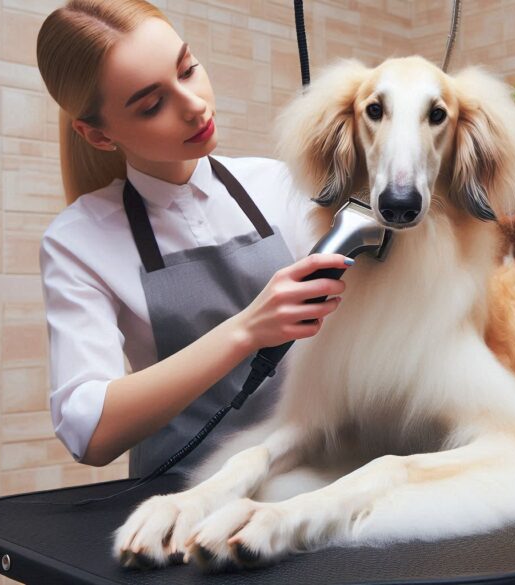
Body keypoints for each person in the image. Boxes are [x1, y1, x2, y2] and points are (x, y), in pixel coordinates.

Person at [35, 0, 348, 477]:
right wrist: (246, 330)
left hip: (307, 485)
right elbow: (88, 428)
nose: (194, 105)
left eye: (187, 70)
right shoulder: (79, 241)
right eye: (152, 104)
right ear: (98, 136)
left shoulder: (279, 184)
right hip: (174, 505)